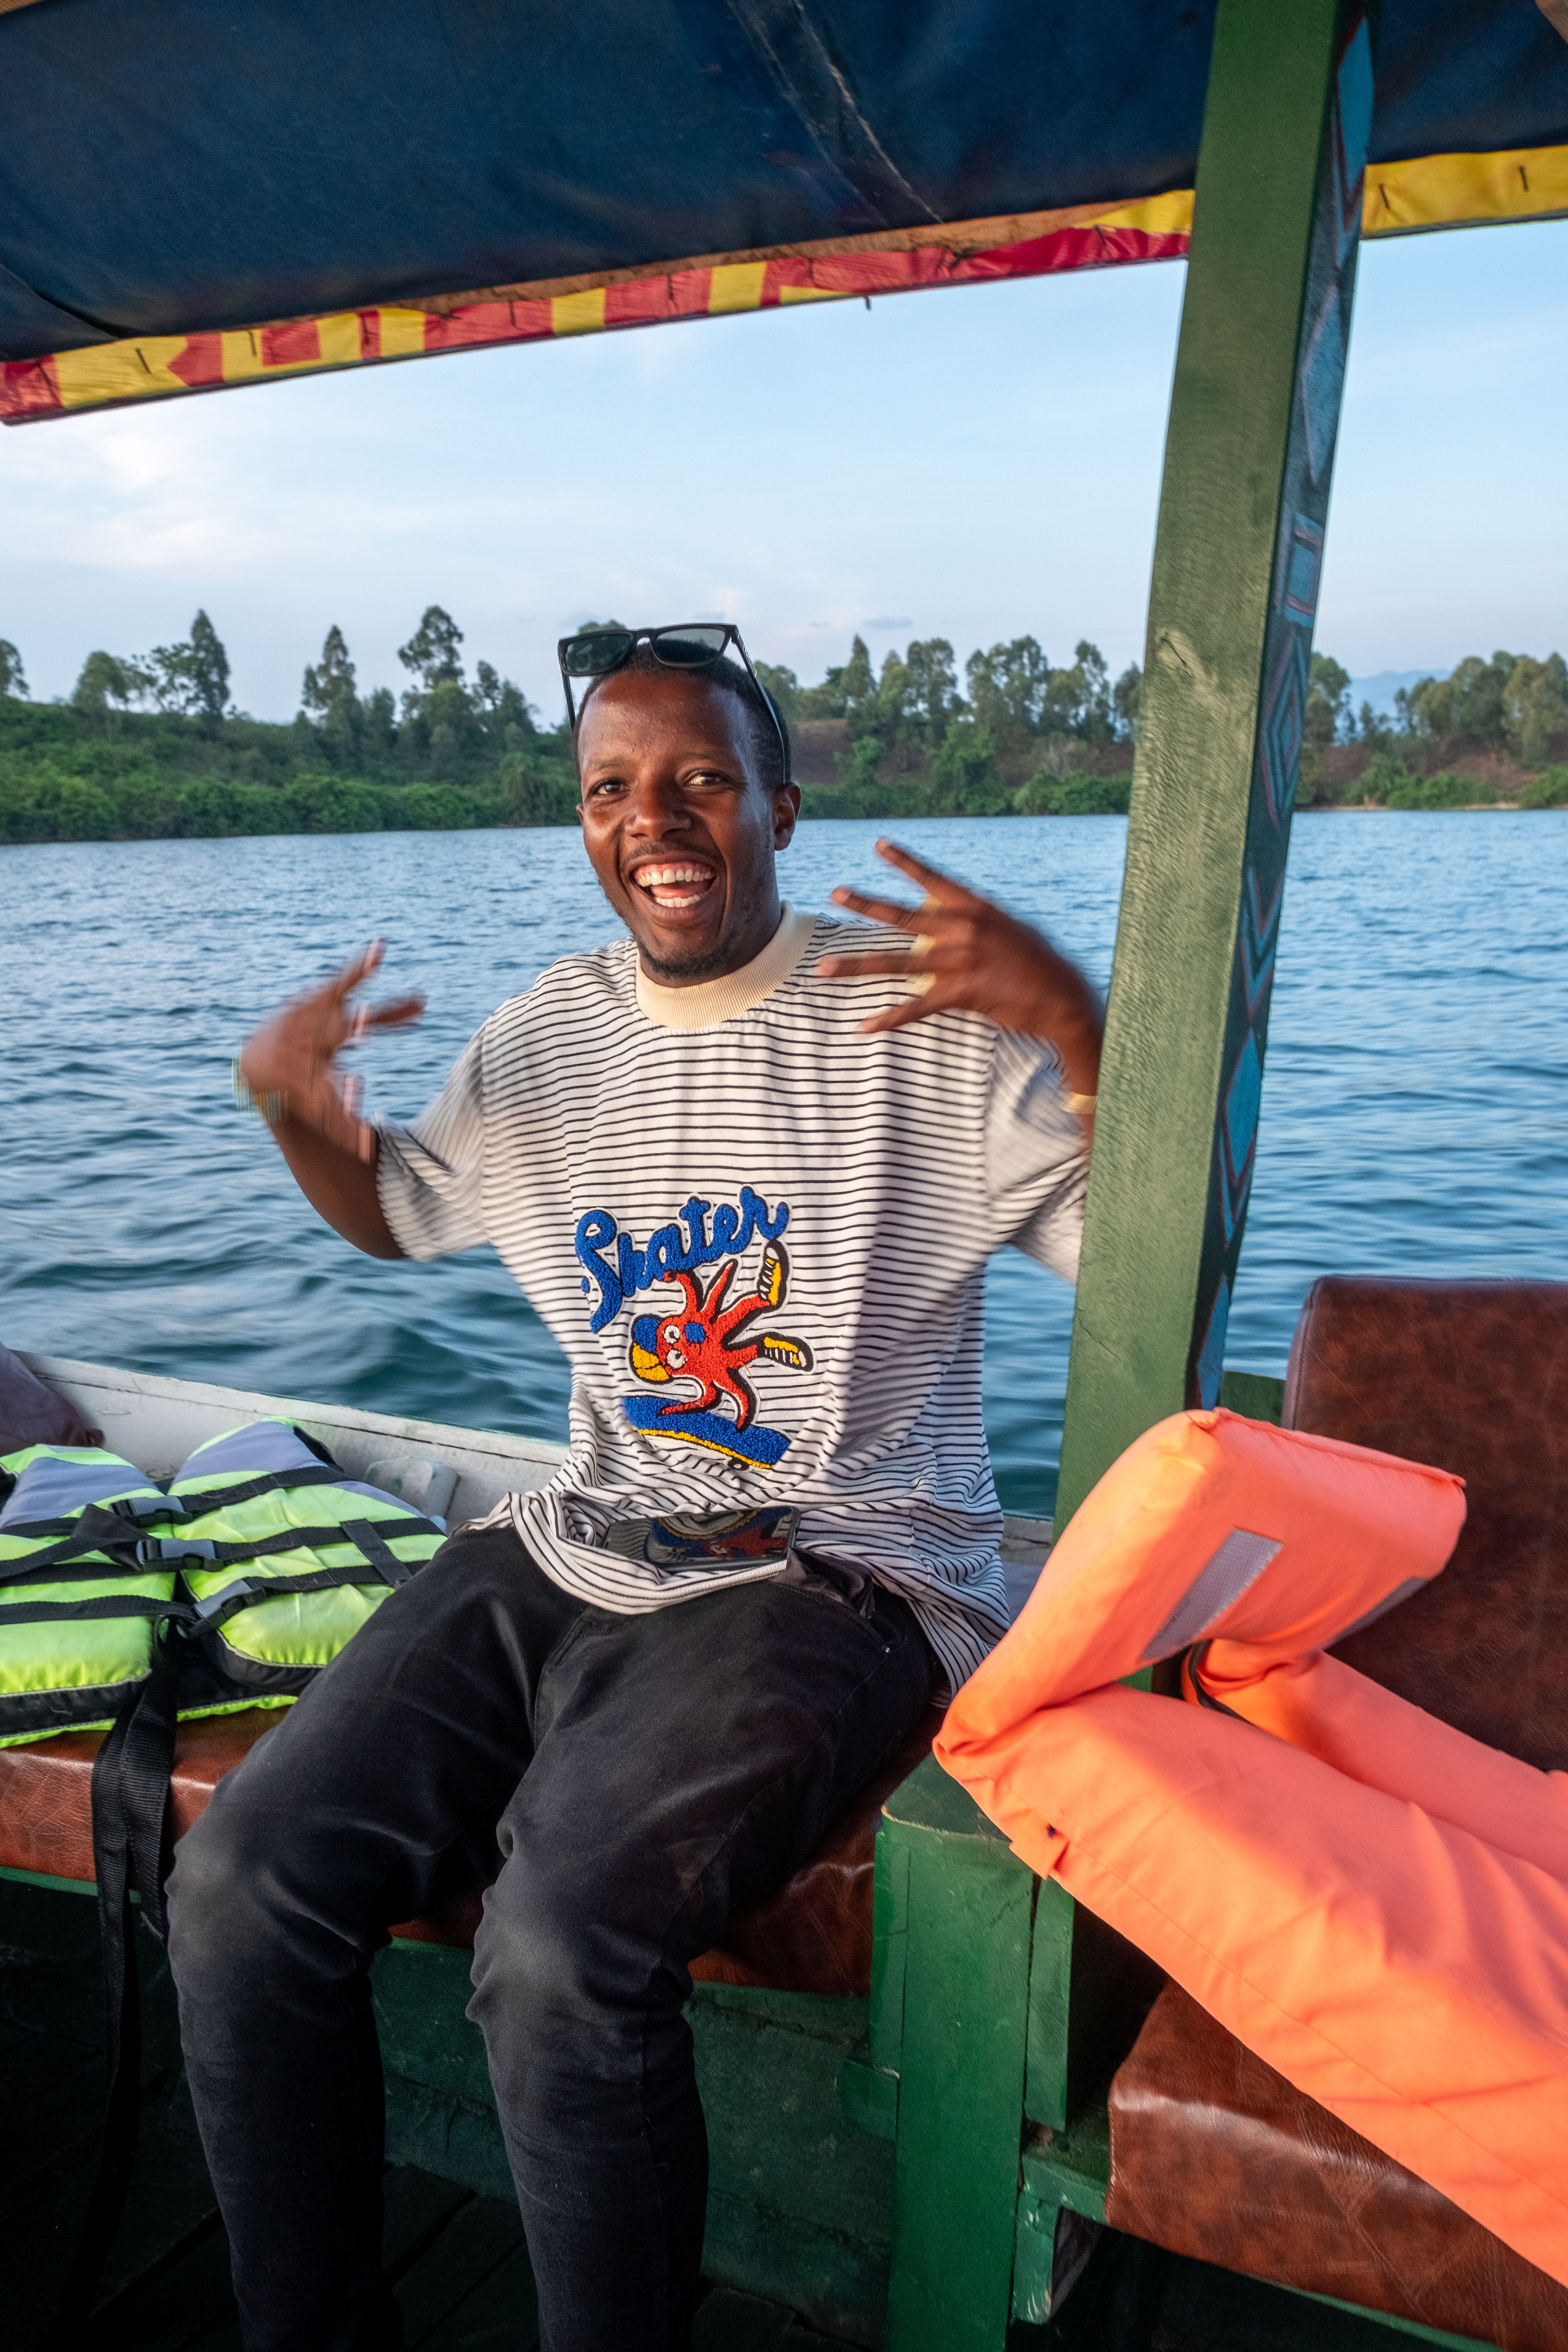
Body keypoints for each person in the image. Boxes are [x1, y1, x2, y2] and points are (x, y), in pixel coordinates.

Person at [166, 624, 1105, 2352]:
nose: (654, 820)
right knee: (237, 1884)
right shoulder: (548, 1039)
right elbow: (400, 1213)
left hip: (848, 1569)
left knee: (560, 1943)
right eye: (614, 789)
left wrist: (1077, 1022)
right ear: (583, 823)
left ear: (780, 809)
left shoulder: (914, 1026)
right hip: (581, 1534)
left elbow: (1143, 1255)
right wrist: (295, 1111)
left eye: (699, 782)